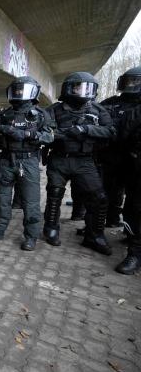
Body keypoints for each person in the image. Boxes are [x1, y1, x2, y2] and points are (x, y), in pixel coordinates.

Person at [43, 72, 114, 255]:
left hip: (85, 160)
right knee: (54, 195)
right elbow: (47, 132)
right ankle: (51, 228)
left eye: (87, 88)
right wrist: (67, 133)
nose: (83, 92)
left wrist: (86, 129)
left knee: (99, 198)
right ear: (68, 88)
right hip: (60, 159)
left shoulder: (98, 110)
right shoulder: (55, 109)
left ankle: (94, 235)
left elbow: (110, 131)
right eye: (78, 87)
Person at [0, 76, 54, 250]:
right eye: (16, 90)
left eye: (22, 90)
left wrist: (28, 135)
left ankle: (31, 237)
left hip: (29, 161)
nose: (19, 93)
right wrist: (2, 129)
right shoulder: (4, 114)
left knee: (31, 202)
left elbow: (50, 137)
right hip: (6, 160)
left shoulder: (40, 115)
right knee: (2, 199)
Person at [98, 70, 141, 229]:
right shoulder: (110, 102)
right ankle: (101, 222)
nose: (130, 85)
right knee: (106, 189)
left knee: (133, 196)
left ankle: (130, 231)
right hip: (110, 153)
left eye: (135, 81)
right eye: (129, 81)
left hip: (133, 157)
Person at [114, 66, 141, 274]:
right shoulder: (134, 111)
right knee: (135, 209)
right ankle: (134, 252)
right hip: (136, 166)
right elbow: (123, 135)